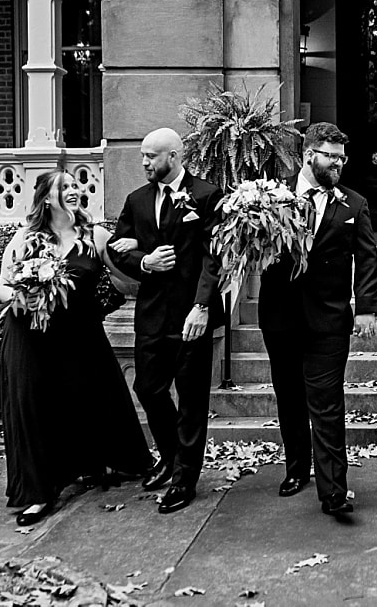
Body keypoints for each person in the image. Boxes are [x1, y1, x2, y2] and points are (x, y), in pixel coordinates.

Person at [0, 170, 153, 526]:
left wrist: (149, 263)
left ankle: (98, 464)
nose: (73, 190)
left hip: (79, 335)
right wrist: (22, 297)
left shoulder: (94, 235)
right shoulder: (27, 238)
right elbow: (2, 287)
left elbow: (125, 272)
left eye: (74, 185)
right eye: (63, 187)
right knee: (34, 408)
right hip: (31, 337)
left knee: (93, 397)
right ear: (47, 198)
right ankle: (38, 494)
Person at [257, 122, 377, 517]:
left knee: (326, 401)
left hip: (328, 319)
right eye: (331, 156)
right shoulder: (270, 196)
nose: (339, 164)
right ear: (310, 154)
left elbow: (367, 258)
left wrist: (366, 306)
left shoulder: (354, 204)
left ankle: (333, 491)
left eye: (343, 157)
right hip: (280, 316)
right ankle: (297, 469)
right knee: (290, 396)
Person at [110, 128, 224, 515]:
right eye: (142, 155)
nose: (144, 163)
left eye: (152, 157)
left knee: (192, 399)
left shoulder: (207, 196)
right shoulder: (136, 200)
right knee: (148, 387)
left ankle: (184, 479)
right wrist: (144, 261)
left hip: (192, 313)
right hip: (152, 313)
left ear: (174, 156)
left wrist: (202, 306)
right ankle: (175, 458)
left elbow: (214, 258)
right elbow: (118, 246)